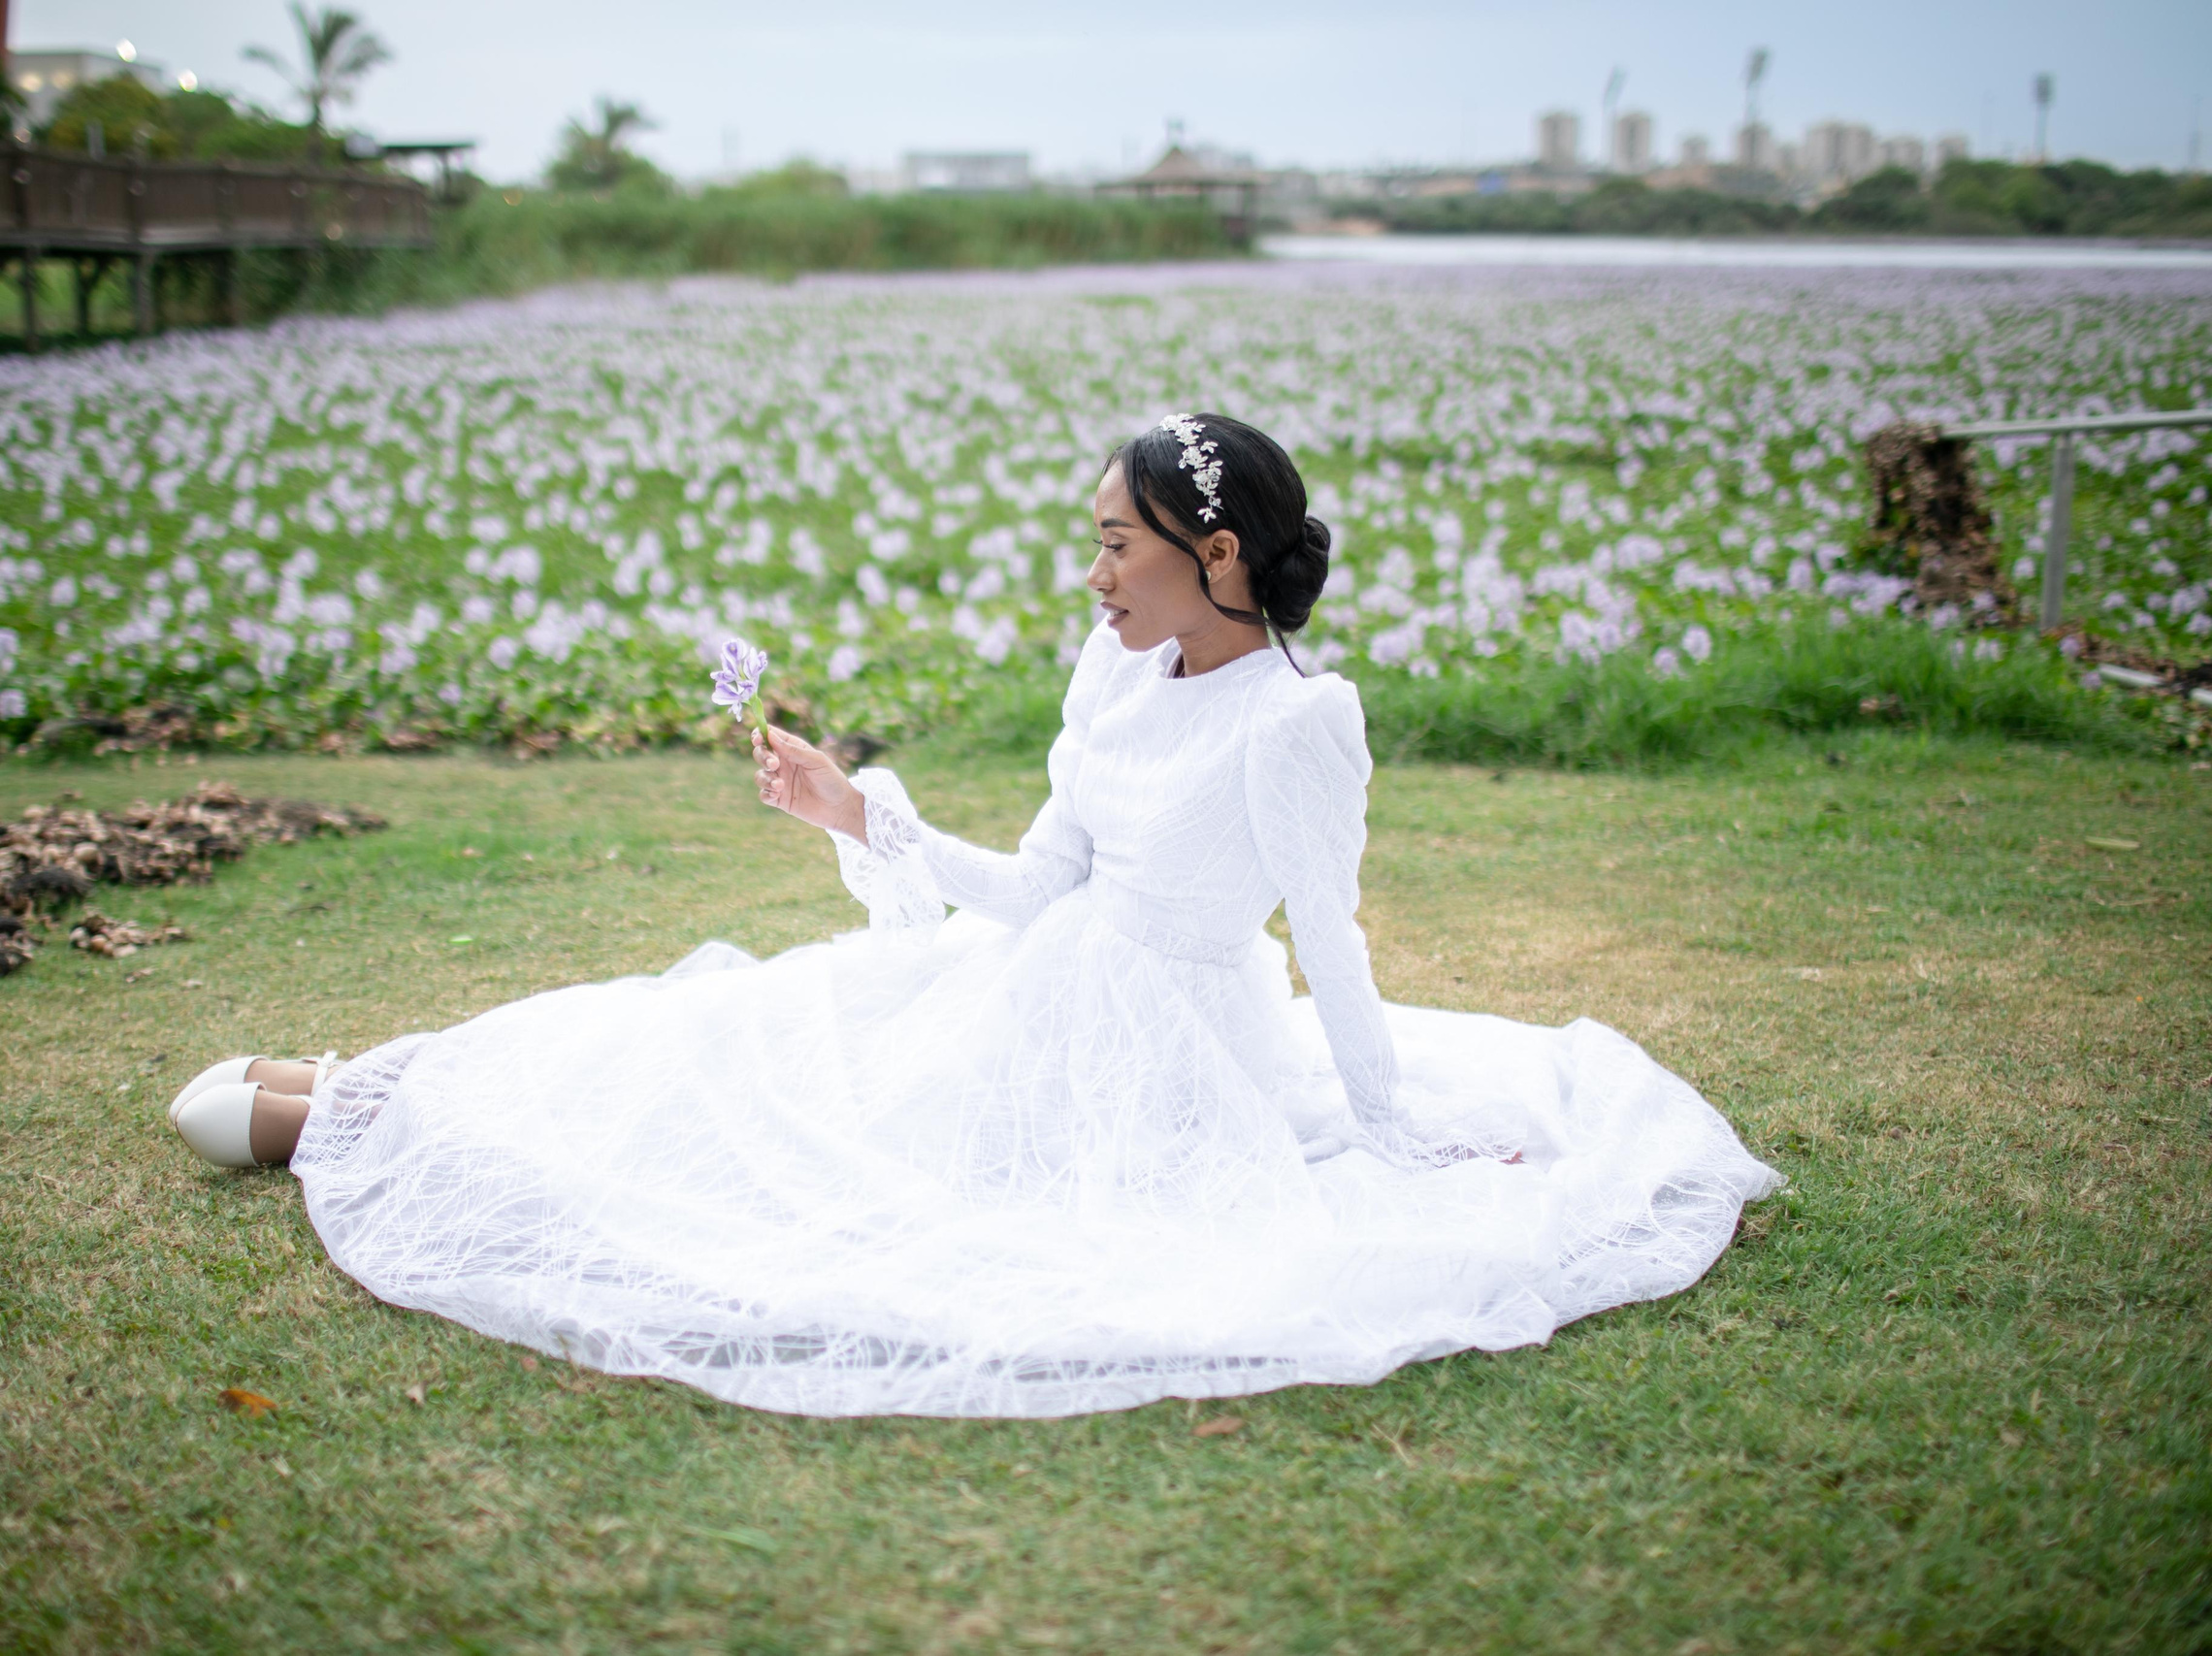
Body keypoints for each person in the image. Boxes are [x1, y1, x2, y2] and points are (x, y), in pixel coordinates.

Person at [167, 412, 1781, 1420]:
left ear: (1215, 553)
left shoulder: (1301, 720)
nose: (1092, 570)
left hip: (1176, 1044)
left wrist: (1386, 1121)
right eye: (1093, 536)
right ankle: (378, 1101)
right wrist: (859, 813)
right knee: (762, 1053)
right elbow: (1037, 887)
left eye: (1114, 540)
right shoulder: (1116, 669)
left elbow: (1332, 942)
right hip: (1031, 985)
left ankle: (341, 1122)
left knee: (822, 1174)